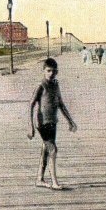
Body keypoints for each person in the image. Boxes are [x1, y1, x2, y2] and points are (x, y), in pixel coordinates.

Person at [28, 58, 78, 190]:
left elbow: (61, 104)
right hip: (42, 122)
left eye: (54, 71)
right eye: (48, 71)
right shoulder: (41, 85)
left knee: (46, 149)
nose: (51, 73)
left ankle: (40, 179)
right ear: (44, 70)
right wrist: (30, 125)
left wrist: (70, 121)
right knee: (53, 150)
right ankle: (55, 182)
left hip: (52, 121)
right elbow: (31, 104)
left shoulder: (56, 85)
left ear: (57, 72)